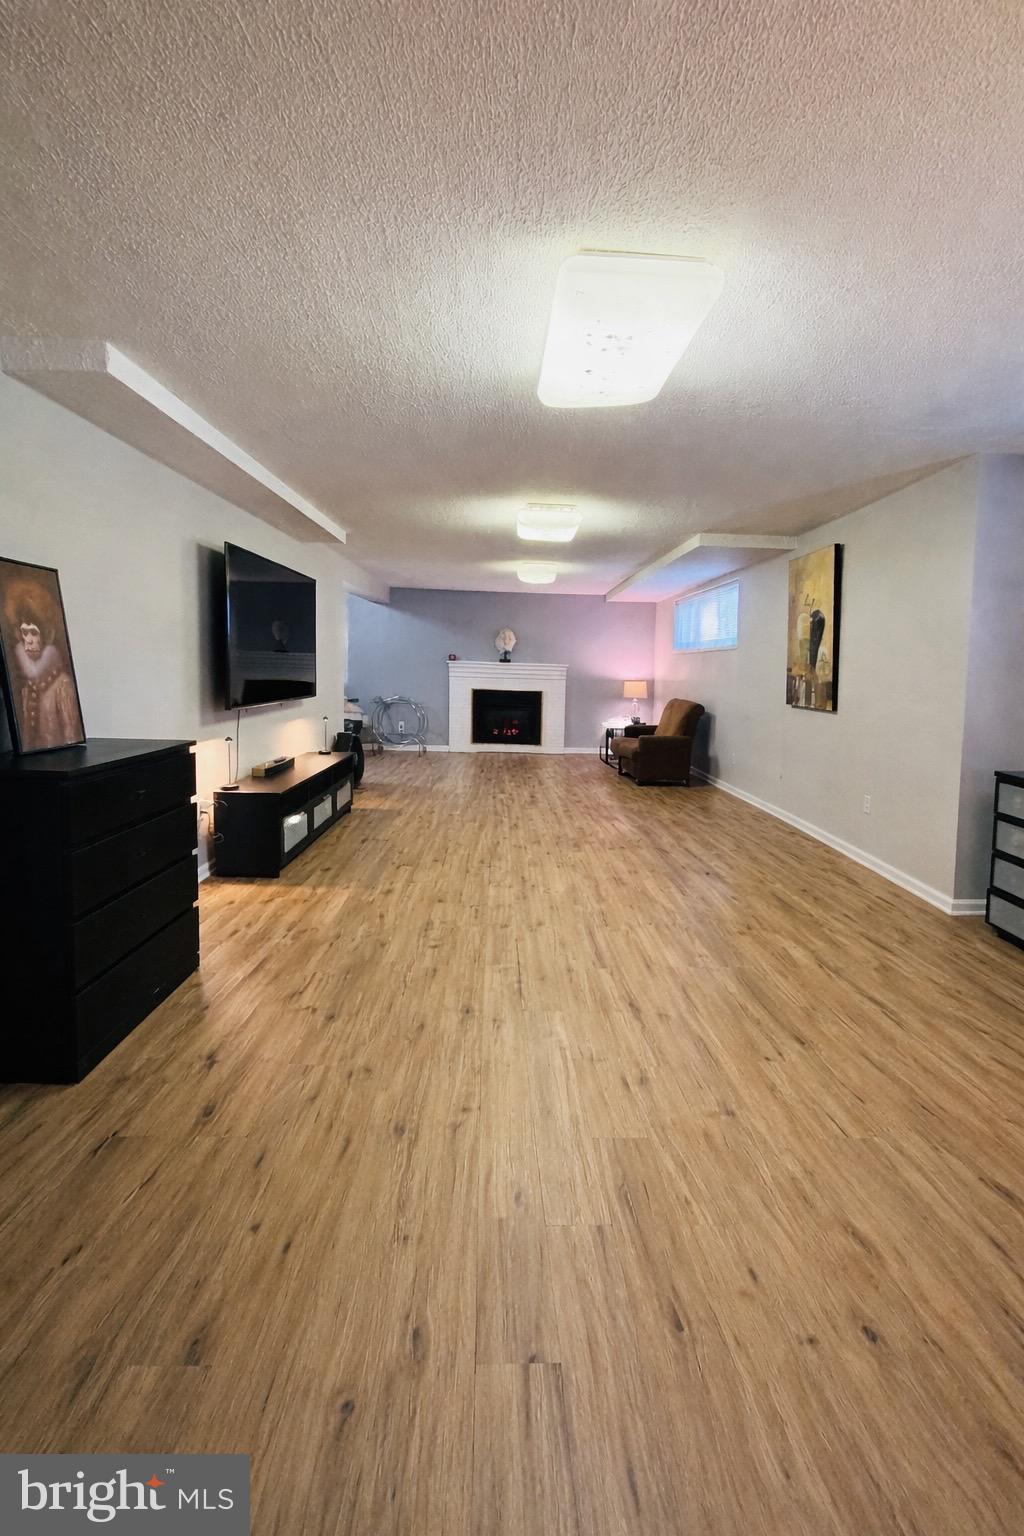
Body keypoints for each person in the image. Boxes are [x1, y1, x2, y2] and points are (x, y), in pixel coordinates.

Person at [3, 577, 83, 750]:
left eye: (33, 633)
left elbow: (71, 738)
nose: (28, 641)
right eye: (24, 633)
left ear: (45, 636)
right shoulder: (28, 688)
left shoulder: (62, 686)